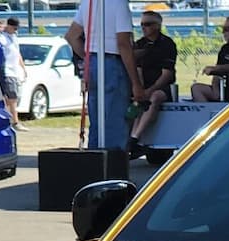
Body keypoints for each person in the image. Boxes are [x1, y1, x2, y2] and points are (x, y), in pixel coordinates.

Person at [66, 0, 145, 150]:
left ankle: (95, 159)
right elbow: (123, 43)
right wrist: (136, 83)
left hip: (93, 62)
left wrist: (87, 58)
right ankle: (113, 162)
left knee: (97, 122)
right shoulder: (119, 4)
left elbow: (71, 36)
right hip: (113, 63)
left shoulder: (88, 3)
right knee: (114, 121)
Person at [127, 10, 178, 157]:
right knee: (137, 101)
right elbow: (138, 70)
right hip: (143, 86)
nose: (144, 27)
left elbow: (167, 74)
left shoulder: (167, 44)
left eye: (148, 24)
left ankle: (135, 138)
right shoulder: (140, 44)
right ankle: (132, 139)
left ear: (157, 26)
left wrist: (149, 91)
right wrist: (140, 89)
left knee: (154, 97)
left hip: (162, 87)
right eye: (142, 24)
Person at [0, 18, 28, 131]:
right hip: (6, 71)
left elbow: (17, 53)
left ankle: (10, 119)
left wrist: (23, 68)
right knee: (11, 96)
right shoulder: (1, 38)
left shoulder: (14, 37)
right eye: (14, 28)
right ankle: (15, 121)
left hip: (15, 71)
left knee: (15, 97)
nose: (16, 30)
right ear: (8, 26)